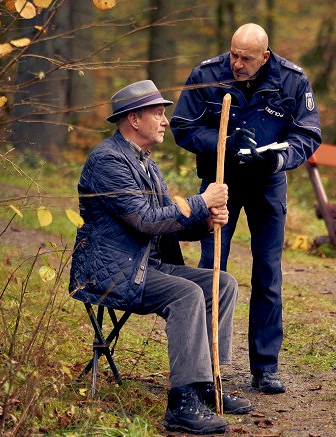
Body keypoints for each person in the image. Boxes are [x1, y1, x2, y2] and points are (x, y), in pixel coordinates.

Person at [69, 80, 252, 435]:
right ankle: (182, 404)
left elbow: (166, 221)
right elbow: (144, 220)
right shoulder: (108, 161)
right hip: (112, 273)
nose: (165, 120)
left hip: (143, 266)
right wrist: (203, 200)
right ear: (134, 119)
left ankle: (206, 384)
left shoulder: (146, 163)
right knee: (186, 294)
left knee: (224, 284)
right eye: (157, 113)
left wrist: (204, 220)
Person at [171, 23, 322, 394]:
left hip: (267, 183)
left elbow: (308, 134)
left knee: (268, 272)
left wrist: (278, 159)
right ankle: (205, 366)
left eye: (247, 58)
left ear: (265, 57)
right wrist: (222, 140)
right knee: (212, 268)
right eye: (234, 55)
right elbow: (182, 126)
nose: (238, 64)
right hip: (219, 180)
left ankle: (265, 367)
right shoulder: (206, 75)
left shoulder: (292, 80)